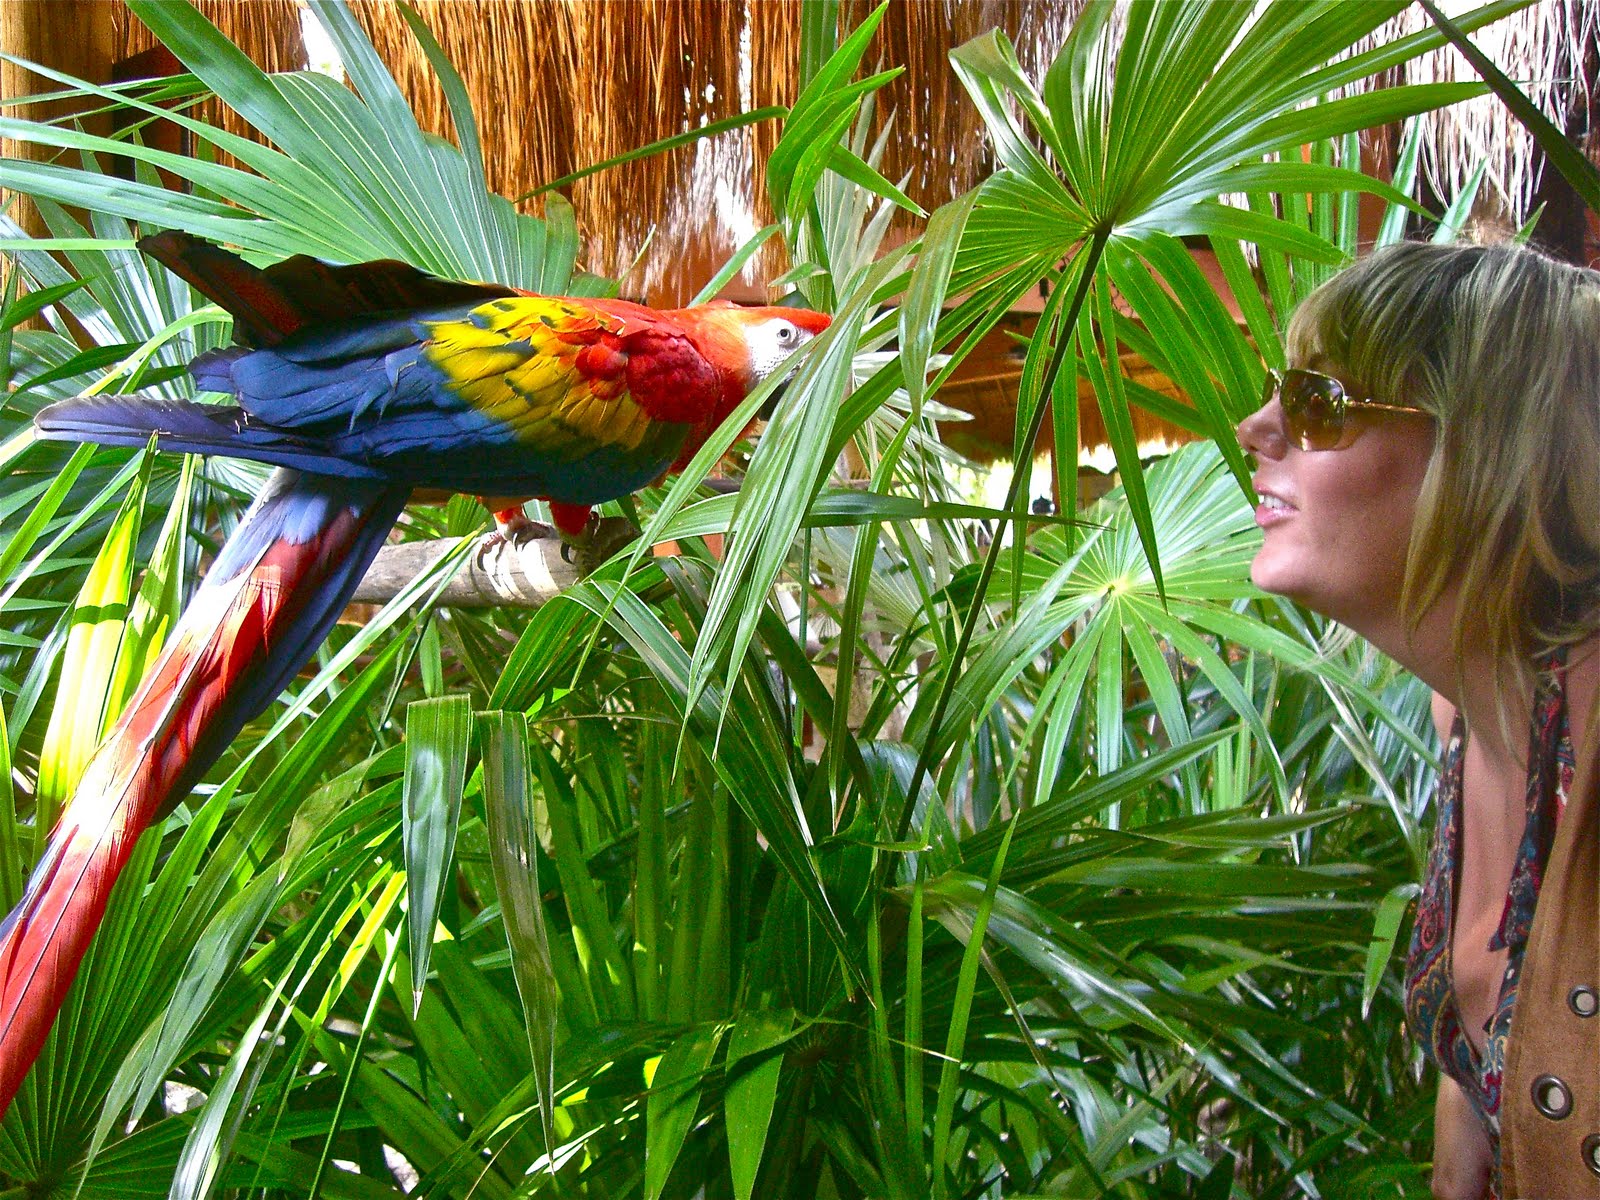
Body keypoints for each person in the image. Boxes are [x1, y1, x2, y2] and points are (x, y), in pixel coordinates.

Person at [1234, 240, 1600, 1200]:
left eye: (1319, 404)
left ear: (1486, 450)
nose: (1253, 428)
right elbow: (1473, 1074)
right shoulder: (1471, 710)